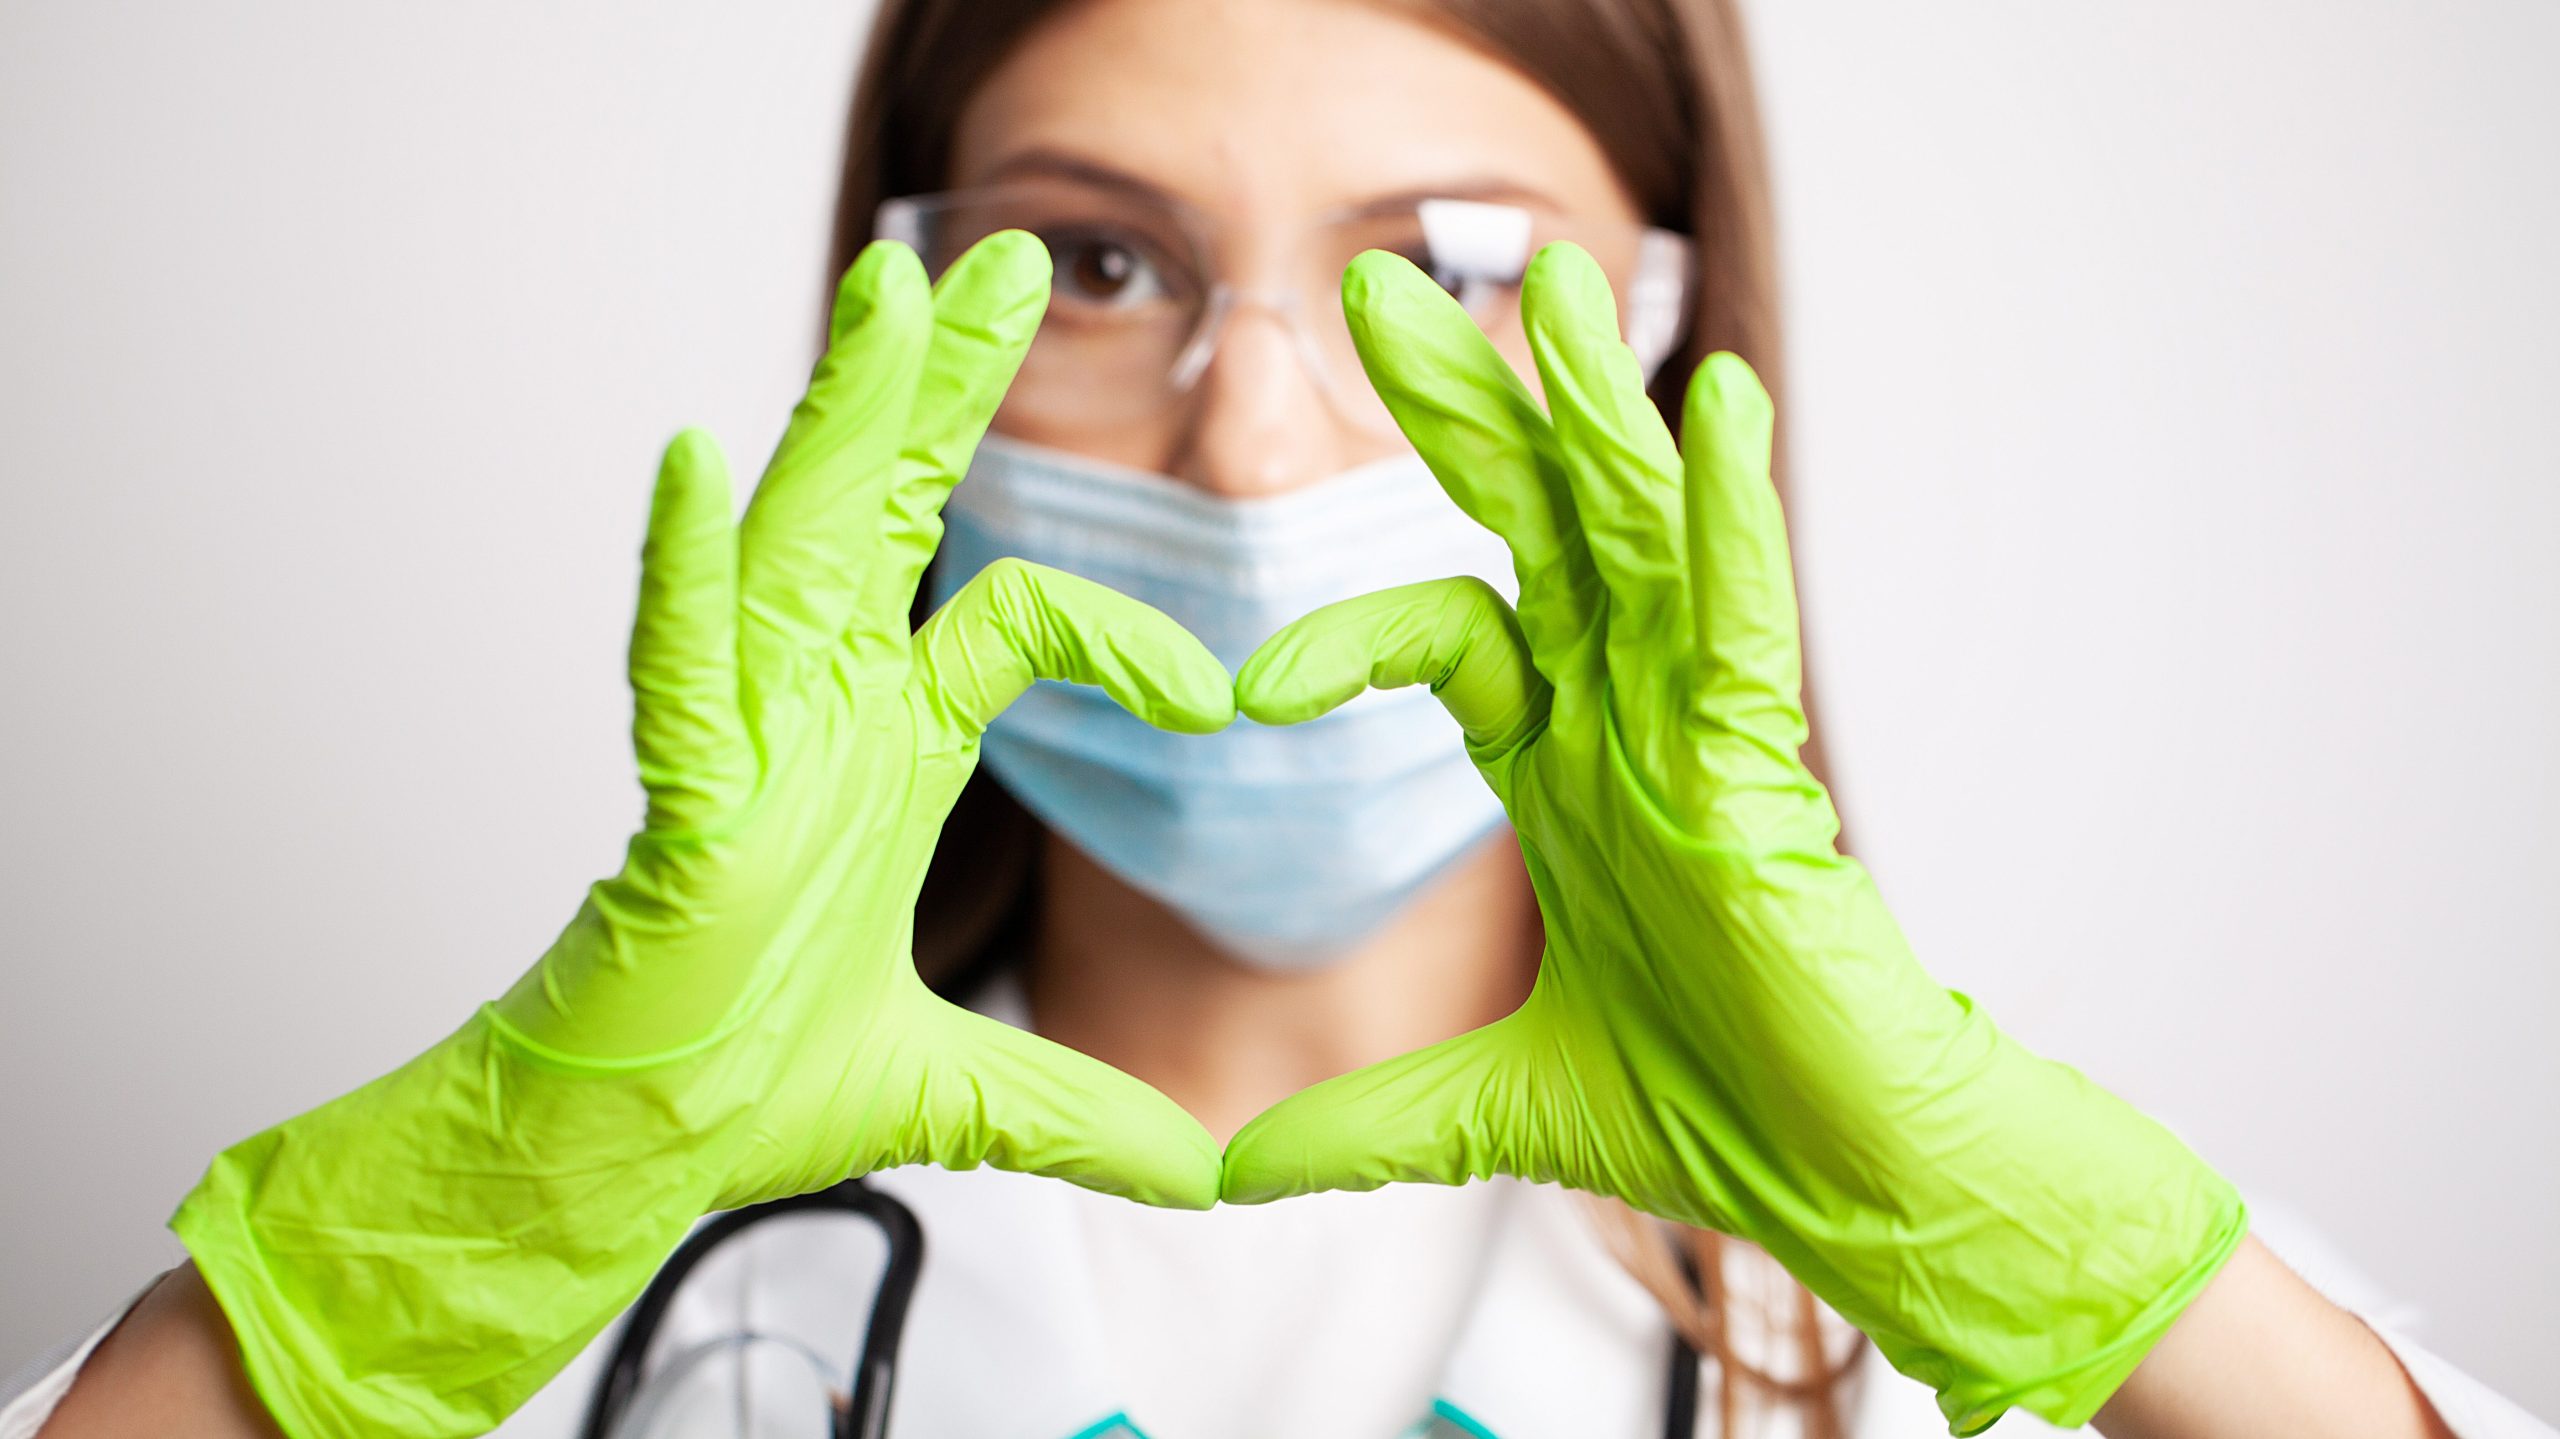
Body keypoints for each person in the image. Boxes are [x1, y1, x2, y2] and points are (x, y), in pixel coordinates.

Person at [6, 1, 2552, 1436]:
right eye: (1095, 264)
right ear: (901, 351)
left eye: (1442, 271)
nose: (1248, 441)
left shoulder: (2078, 1350)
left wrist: (2119, 1300)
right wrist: (357, 1299)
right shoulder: (549, 1316)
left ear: (1678, 353)